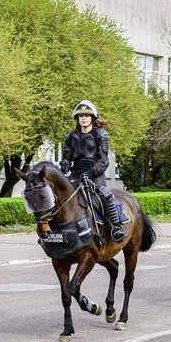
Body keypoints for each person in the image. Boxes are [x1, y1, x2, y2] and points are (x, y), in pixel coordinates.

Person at [59, 100, 125, 243]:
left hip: (94, 175)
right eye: (80, 115)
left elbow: (104, 160)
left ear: (92, 118)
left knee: (104, 195)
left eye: (86, 115)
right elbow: (67, 157)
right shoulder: (70, 136)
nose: (83, 118)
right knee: (59, 195)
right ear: (77, 118)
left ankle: (116, 227)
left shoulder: (100, 134)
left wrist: (90, 172)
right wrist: (65, 164)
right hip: (75, 174)